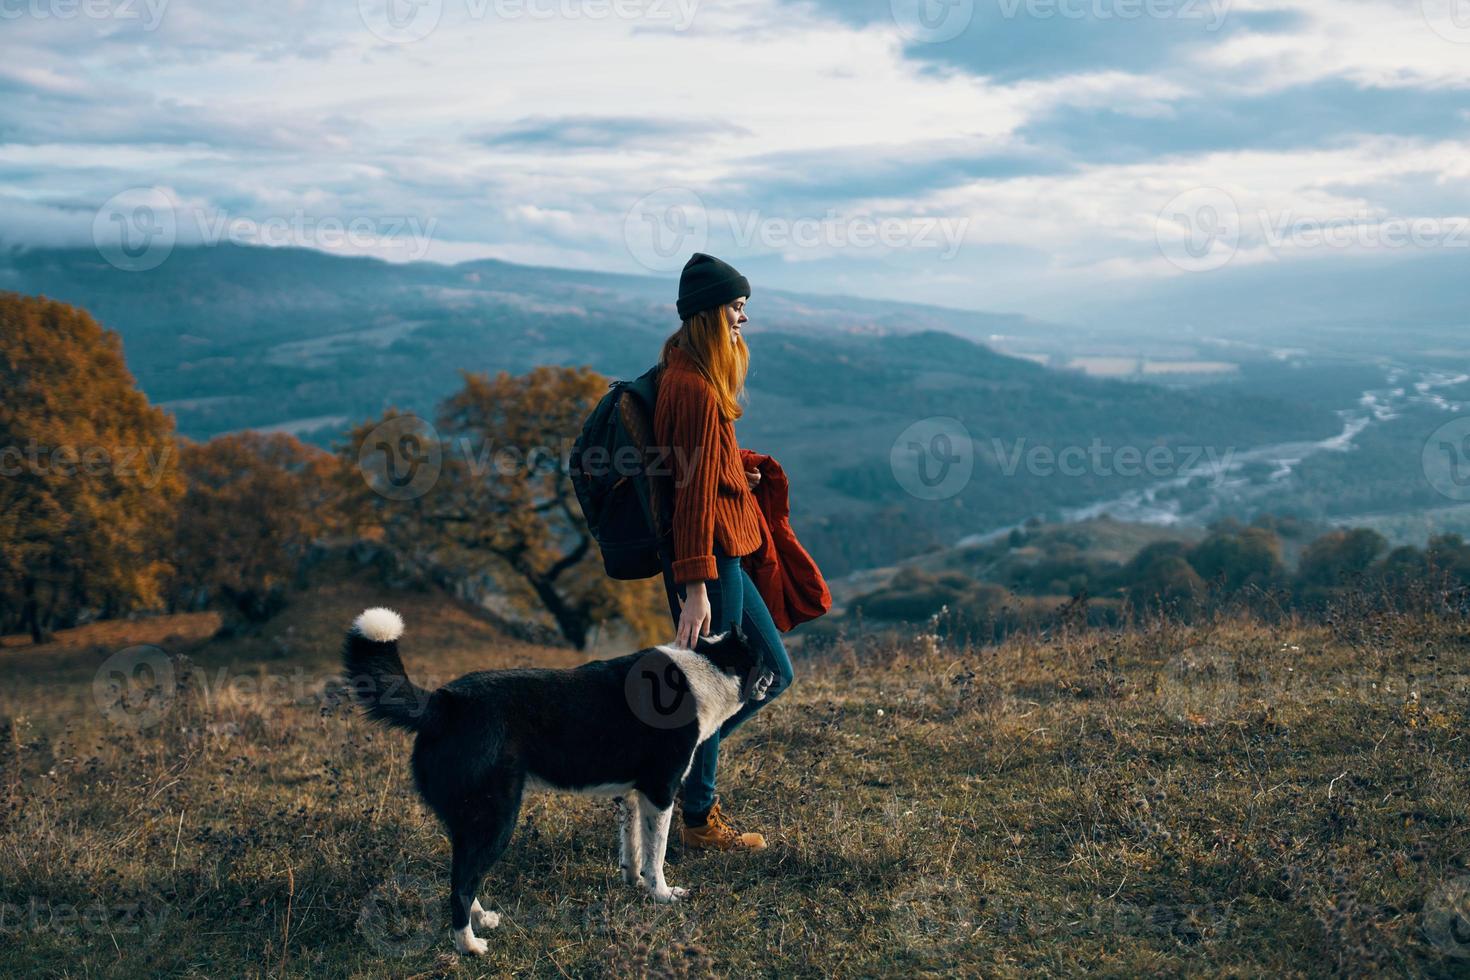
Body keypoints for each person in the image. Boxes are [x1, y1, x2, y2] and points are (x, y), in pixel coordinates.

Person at [653, 252, 794, 852]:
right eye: (737, 308)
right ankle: (695, 815)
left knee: (770, 674)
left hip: (725, 556)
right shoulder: (691, 389)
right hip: (710, 565)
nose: (743, 319)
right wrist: (694, 590)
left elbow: (704, 469)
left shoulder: (693, 375)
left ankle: (670, 775)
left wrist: (740, 475)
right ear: (710, 313)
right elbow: (688, 495)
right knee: (715, 690)